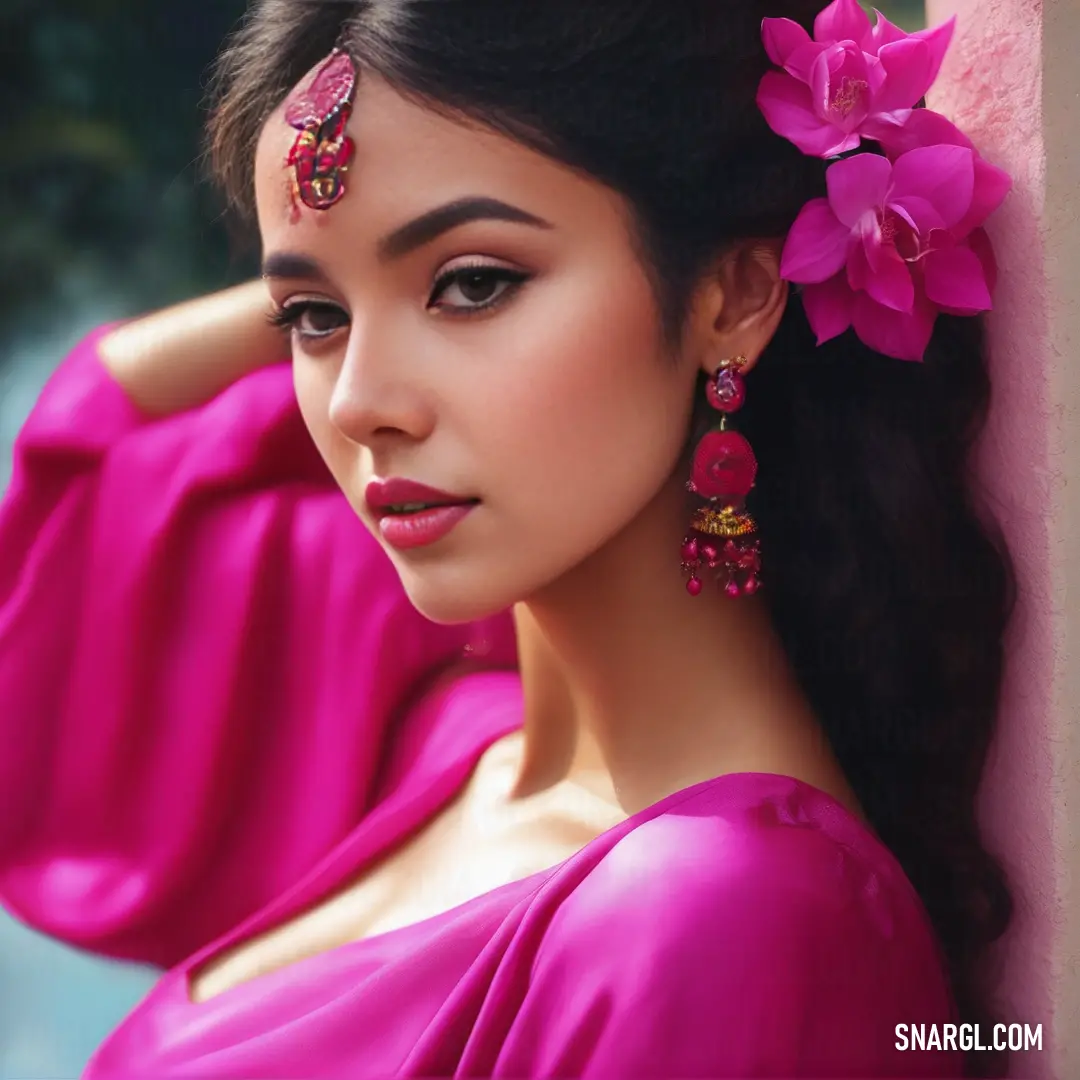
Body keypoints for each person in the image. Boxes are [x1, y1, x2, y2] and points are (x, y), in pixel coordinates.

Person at [0, 0, 1016, 1076]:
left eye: (473, 283)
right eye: (310, 319)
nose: (357, 404)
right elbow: (102, 465)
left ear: (738, 292)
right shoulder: (446, 724)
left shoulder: (725, 919)